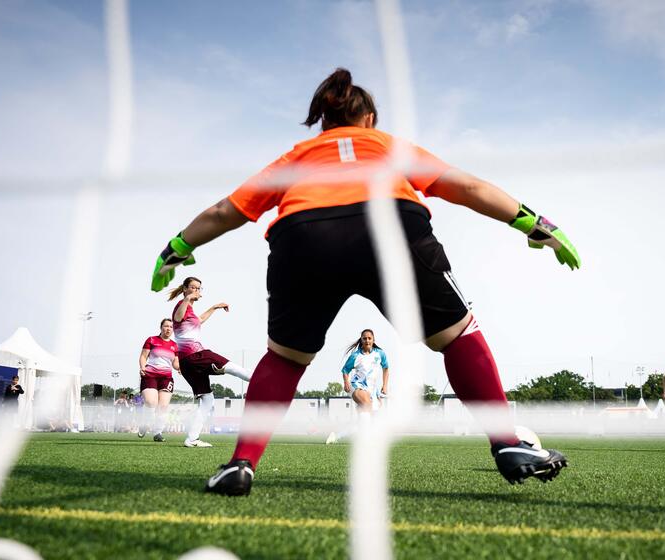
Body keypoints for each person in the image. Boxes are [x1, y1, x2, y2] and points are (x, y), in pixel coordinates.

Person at [150, 68, 579, 496]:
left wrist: (176, 248)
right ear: (370, 119)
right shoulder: (388, 146)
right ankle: (506, 443)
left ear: (323, 122)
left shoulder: (297, 157)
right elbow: (466, 186)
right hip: (391, 225)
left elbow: (226, 211)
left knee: (285, 359)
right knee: (458, 336)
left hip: (303, 236)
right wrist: (533, 223)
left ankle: (241, 464)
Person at [167, 276, 251, 448]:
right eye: (193, 287)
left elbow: (199, 320)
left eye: (199, 288)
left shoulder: (190, 311)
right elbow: (177, 318)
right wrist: (187, 298)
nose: (196, 291)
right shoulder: (181, 306)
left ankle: (192, 439)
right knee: (231, 367)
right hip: (195, 356)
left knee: (207, 400)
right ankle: (260, 380)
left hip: (187, 362)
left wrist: (214, 307)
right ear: (185, 288)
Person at [326, 329, 389, 444]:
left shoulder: (380, 353)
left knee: (364, 421)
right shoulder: (356, 356)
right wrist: (346, 383)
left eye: (369, 338)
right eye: (364, 338)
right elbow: (345, 370)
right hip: (356, 386)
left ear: (373, 340)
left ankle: (336, 436)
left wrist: (385, 386)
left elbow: (386, 368)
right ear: (361, 340)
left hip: (372, 390)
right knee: (368, 407)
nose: (367, 340)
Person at [138, 318, 181, 442]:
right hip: (150, 375)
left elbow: (175, 363)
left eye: (171, 327)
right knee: (151, 403)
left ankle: (158, 433)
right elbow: (143, 356)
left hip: (166, 377)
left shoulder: (174, 345)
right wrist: (142, 367)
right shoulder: (152, 340)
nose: (168, 329)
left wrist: (181, 368)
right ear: (161, 327)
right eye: (166, 326)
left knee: (163, 406)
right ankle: (144, 424)